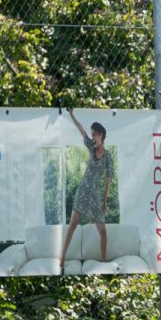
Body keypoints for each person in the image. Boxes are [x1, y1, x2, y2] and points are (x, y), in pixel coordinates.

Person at [60, 108, 114, 272]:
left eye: (95, 134)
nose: (92, 136)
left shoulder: (108, 156)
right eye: (92, 134)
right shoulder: (90, 147)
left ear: (101, 135)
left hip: (96, 197)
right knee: (73, 225)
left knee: (103, 232)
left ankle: (104, 261)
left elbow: (109, 180)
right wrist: (71, 115)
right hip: (83, 191)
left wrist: (104, 201)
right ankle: (61, 260)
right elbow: (81, 130)